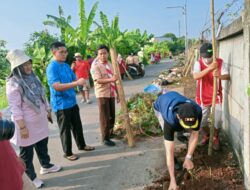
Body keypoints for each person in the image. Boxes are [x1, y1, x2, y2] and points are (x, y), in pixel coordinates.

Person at [6, 49, 61, 188]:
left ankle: (46, 165)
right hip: (26, 124)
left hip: (40, 121)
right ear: (17, 67)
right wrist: (22, 127)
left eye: (29, 63)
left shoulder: (33, 77)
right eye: (24, 65)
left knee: (42, 144)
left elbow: (42, 94)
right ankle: (31, 177)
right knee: (27, 153)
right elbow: (15, 108)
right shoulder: (13, 83)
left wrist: (48, 110)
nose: (28, 67)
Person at [46, 42, 95, 161]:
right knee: (65, 129)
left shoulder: (66, 65)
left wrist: (81, 81)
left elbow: (75, 78)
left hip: (72, 102)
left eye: (65, 51)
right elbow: (56, 86)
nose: (64, 54)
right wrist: (76, 83)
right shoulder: (52, 67)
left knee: (77, 125)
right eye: (61, 52)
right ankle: (68, 152)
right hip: (61, 104)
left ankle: (82, 145)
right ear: (54, 53)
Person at [153, 91, 202, 190]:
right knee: (169, 146)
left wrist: (188, 157)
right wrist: (172, 179)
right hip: (161, 105)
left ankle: (181, 131)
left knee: (189, 130)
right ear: (178, 117)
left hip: (174, 99)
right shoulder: (169, 120)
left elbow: (195, 134)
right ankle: (174, 162)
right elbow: (169, 151)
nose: (190, 127)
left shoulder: (197, 111)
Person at [193, 43, 230, 150]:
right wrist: (210, 68)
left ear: (213, 55)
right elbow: (196, 76)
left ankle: (215, 136)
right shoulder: (198, 63)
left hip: (216, 96)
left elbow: (227, 76)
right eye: (205, 57)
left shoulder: (220, 62)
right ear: (201, 56)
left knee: (217, 120)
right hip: (202, 97)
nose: (207, 59)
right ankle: (208, 134)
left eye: (209, 57)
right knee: (201, 122)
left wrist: (220, 76)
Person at [91, 45, 119, 146]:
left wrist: (118, 94)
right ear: (97, 55)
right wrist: (111, 80)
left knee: (112, 115)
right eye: (100, 54)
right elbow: (98, 80)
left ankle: (110, 133)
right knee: (104, 117)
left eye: (104, 53)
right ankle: (105, 138)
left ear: (108, 54)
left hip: (111, 93)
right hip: (102, 94)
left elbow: (115, 80)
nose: (102, 55)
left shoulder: (110, 64)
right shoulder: (96, 66)